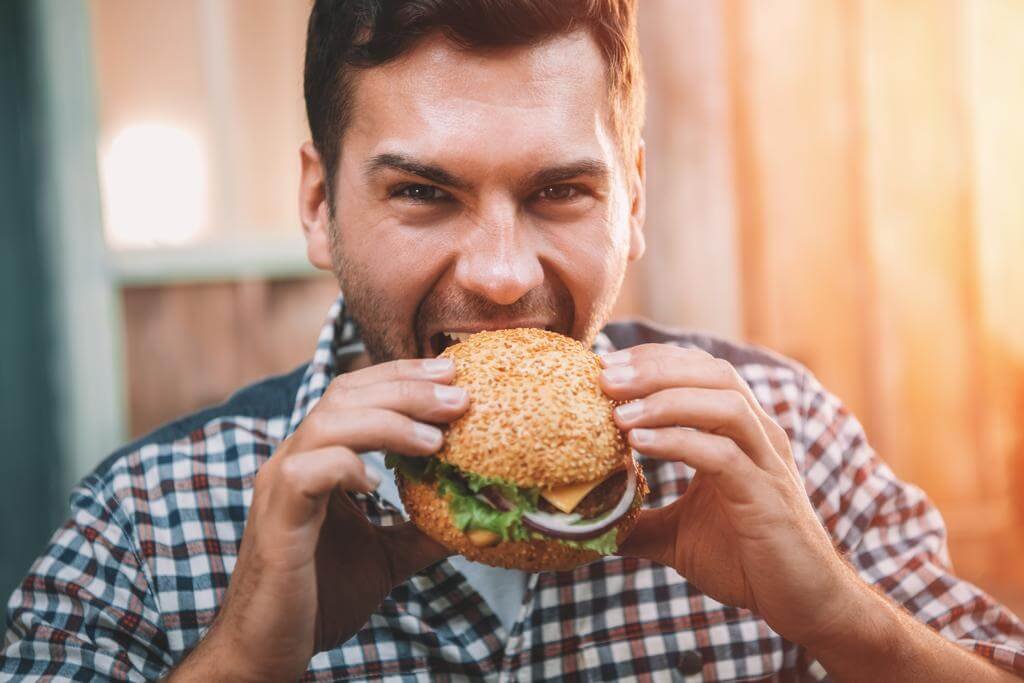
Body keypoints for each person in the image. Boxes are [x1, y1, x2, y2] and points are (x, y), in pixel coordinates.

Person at [4, 1, 1024, 680]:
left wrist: (844, 620)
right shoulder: (142, 523)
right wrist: (239, 657)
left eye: (558, 190)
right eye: (423, 192)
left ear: (631, 200)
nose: (501, 273)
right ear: (318, 205)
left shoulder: (789, 438)